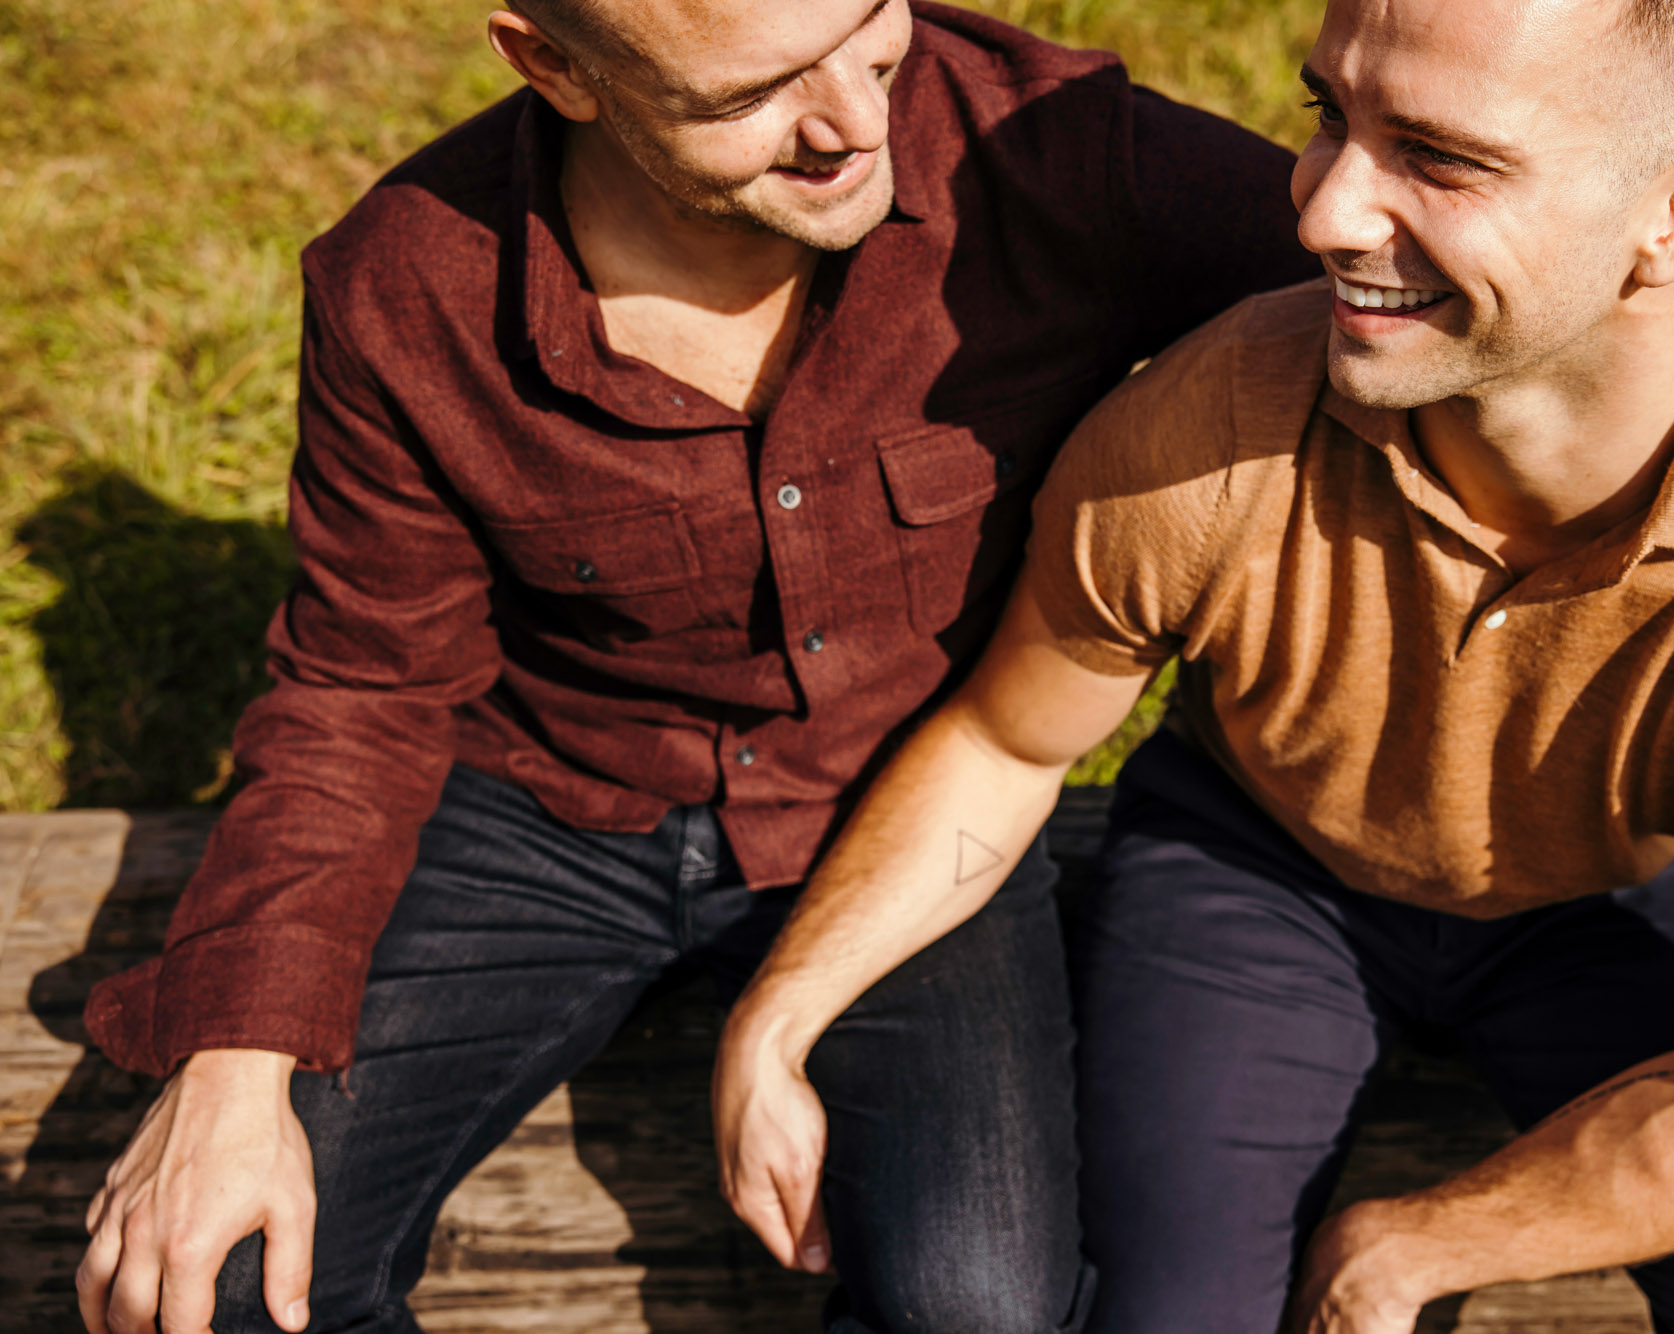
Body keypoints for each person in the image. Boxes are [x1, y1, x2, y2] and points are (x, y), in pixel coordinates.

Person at [711, 0, 1674, 1331]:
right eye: (1331, 113)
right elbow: (1012, 743)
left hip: (1617, 886)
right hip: (1259, 872)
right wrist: (782, 1010)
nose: (1321, 212)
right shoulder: (1202, 432)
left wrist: (1421, 1244)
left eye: (1440, 156)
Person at [72, 1, 1319, 1330]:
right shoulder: (409, 286)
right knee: (223, 1281)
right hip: (539, 802)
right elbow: (359, 687)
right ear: (555, 66)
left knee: (982, 1306)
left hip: (904, 804)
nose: (854, 121)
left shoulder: (1050, 151)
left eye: (871, 29)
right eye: (752, 95)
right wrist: (232, 1065)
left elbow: (1390, 287)